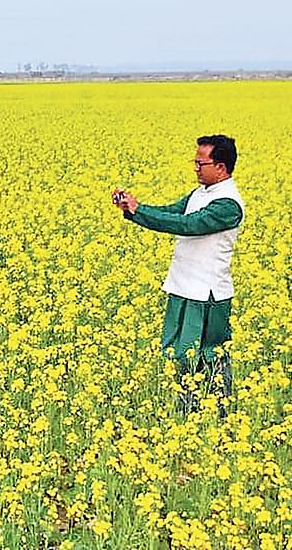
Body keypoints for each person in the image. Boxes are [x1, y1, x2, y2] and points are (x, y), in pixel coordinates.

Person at [113, 135, 244, 415]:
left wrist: (140, 211)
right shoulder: (200, 194)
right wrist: (134, 209)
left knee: (211, 354)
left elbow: (186, 224)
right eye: (195, 162)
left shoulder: (228, 205)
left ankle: (222, 412)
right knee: (181, 355)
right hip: (184, 288)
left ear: (220, 167)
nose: (195, 168)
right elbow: (170, 212)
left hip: (207, 294)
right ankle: (188, 411)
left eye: (201, 163)